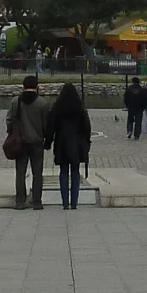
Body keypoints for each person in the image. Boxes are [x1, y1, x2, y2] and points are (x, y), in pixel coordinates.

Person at [5, 73, 49, 209]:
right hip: (36, 142)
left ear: (23, 87)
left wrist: (12, 133)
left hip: (20, 143)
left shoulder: (16, 101)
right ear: (37, 87)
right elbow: (47, 124)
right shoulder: (42, 103)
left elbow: (9, 119)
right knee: (37, 174)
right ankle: (37, 201)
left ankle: (20, 201)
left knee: (20, 173)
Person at [48, 81, 92, 210]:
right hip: (77, 143)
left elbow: (51, 126)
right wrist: (87, 141)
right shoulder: (80, 107)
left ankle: (65, 202)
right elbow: (87, 127)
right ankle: (74, 202)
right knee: (75, 172)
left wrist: (48, 142)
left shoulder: (57, 107)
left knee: (63, 172)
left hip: (61, 143)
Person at [123, 75, 146, 140]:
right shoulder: (142, 90)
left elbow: (125, 98)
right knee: (138, 121)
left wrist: (127, 105)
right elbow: (145, 99)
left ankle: (129, 131)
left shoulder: (129, 89)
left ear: (133, 82)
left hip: (131, 107)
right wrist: (144, 106)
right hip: (139, 108)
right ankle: (137, 135)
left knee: (130, 120)